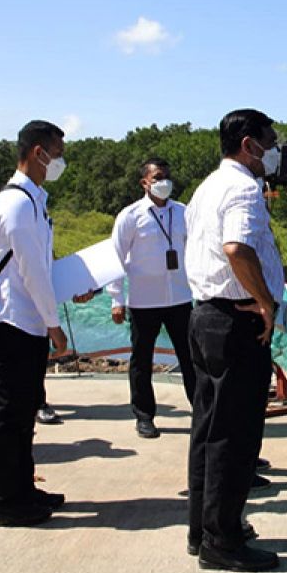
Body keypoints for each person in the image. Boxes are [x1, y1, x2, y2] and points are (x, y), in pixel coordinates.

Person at [184, 109, 286, 572]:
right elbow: (237, 249)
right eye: (270, 141)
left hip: (206, 317)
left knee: (209, 429)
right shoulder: (244, 187)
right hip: (234, 323)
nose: (275, 150)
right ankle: (222, 542)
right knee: (236, 435)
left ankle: (204, 529)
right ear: (249, 145)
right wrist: (266, 302)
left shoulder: (208, 185)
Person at [0, 120, 70, 528]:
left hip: (22, 320)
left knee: (22, 412)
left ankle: (21, 487)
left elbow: (40, 266)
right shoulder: (16, 203)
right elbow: (30, 270)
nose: (60, 162)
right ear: (37, 152)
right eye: (57, 153)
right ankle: (0, 501)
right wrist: (54, 323)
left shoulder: (32, 200)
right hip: (13, 321)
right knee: (9, 415)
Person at [105, 157, 196, 439]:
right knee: (141, 360)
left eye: (167, 176)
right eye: (157, 177)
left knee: (192, 358)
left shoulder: (183, 212)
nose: (164, 182)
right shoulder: (130, 216)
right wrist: (116, 299)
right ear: (144, 182)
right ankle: (144, 416)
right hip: (145, 301)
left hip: (180, 298)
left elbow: (195, 250)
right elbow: (115, 258)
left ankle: (203, 412)